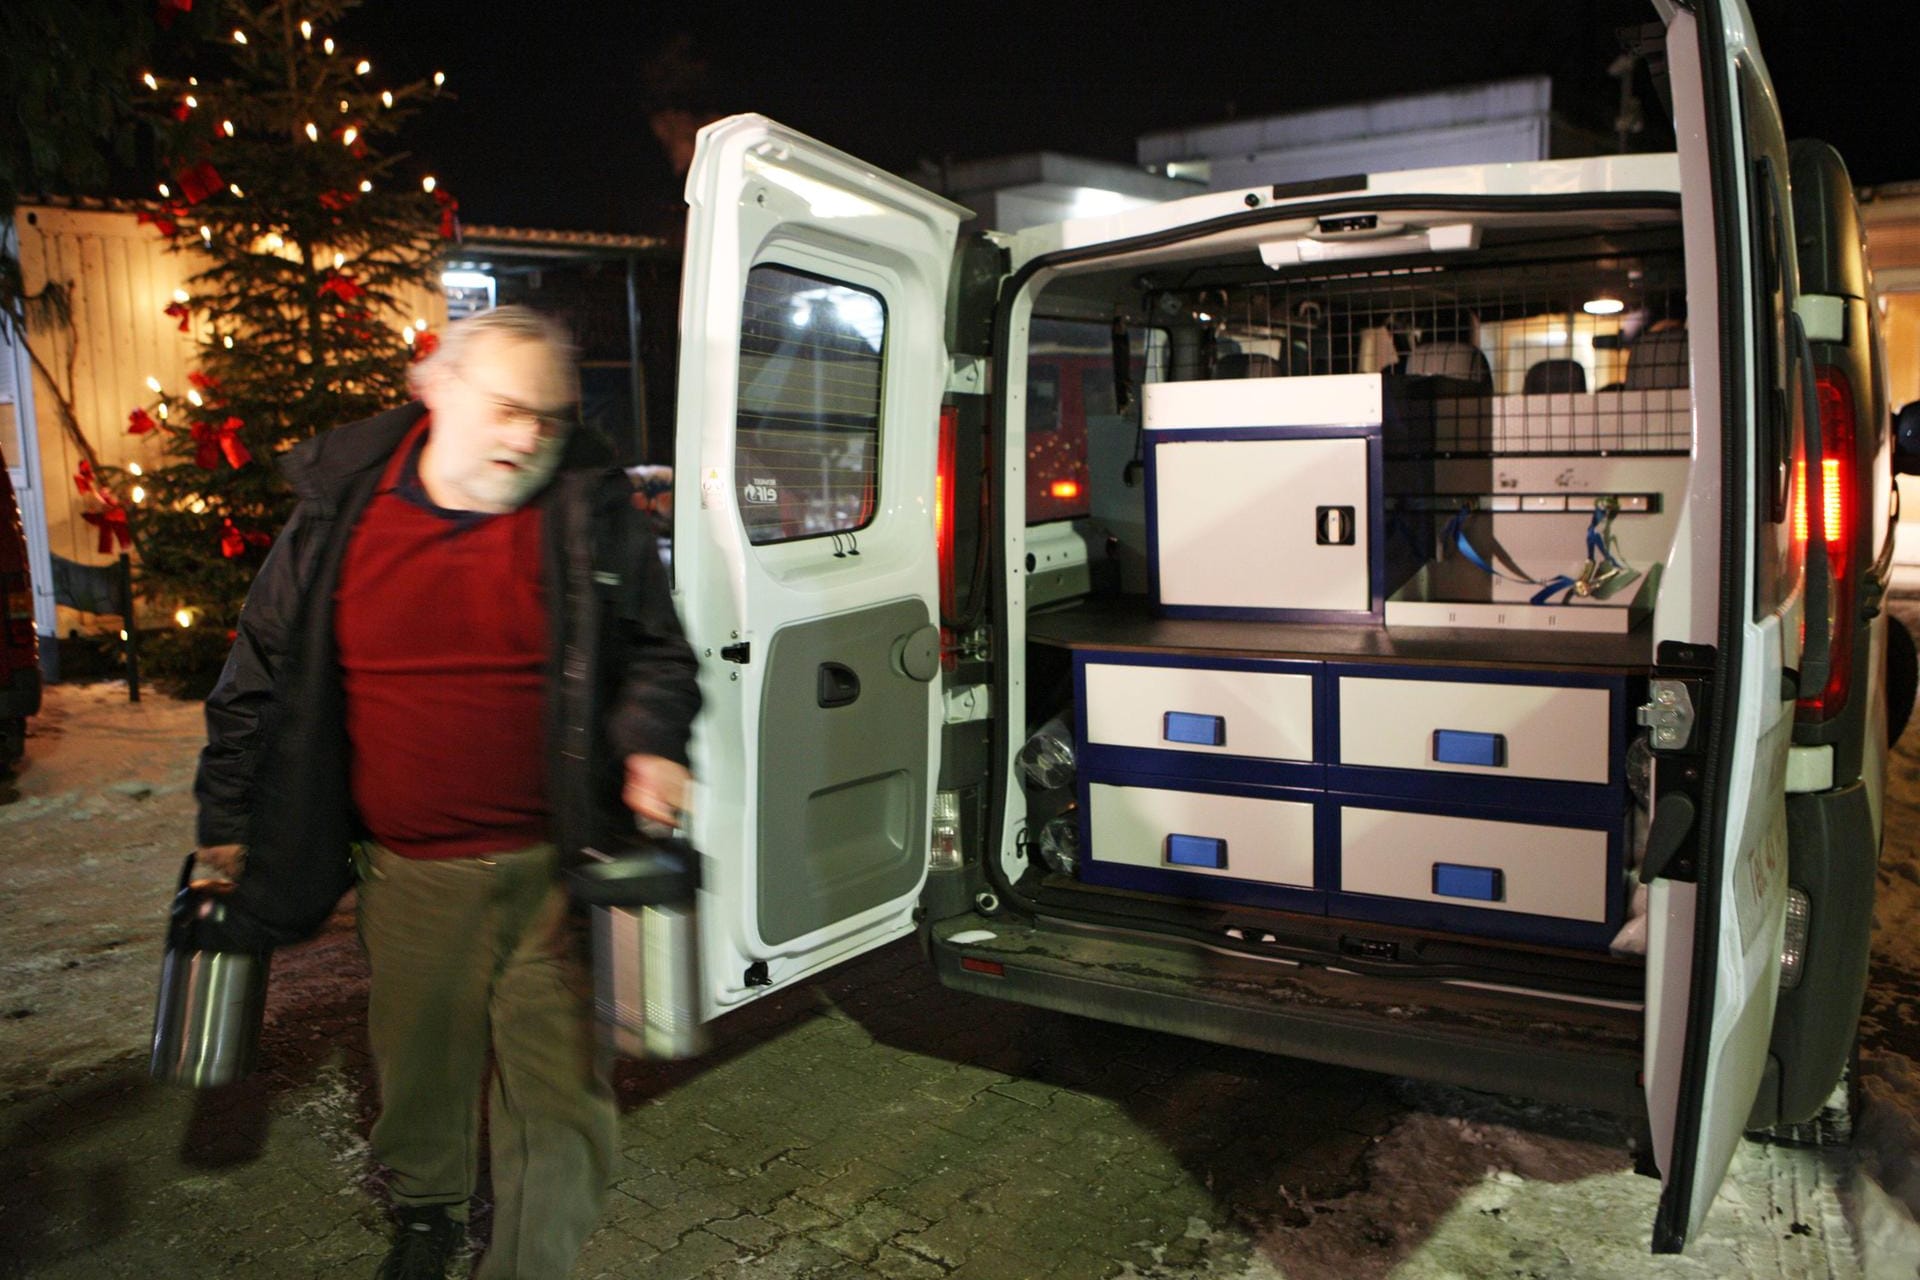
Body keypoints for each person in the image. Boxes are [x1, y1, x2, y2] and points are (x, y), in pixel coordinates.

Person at [189, 306, 701, 1279]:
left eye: (548, 419)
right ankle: (426, 1212)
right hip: (410, 870)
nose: (526, 438)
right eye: (507, 409)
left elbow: (657, 656)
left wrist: (651, 741)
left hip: (555, 870)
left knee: (562, 1105)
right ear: (435, 389)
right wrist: (226, 823)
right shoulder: (342, 515)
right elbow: (256, 675)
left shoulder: (585, 508)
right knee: (423, 1067)